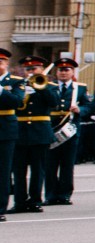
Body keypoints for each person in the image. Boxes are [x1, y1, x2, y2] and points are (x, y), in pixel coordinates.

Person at [44, 56, 94, 205]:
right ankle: (51, 195)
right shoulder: (49, 86)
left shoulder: (80, 88)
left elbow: (89, 106)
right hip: (52, 129)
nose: (63, 73)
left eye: (67, 70)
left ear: (72, 72)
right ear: (56, 72)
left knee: (67, 164)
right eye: (61, 70)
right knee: (50, 164)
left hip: (70, 130)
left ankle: (65, 194)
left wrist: (80, 109)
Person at [11, 55, 57, 213]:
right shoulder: (17, 85)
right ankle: (19, 202)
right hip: (20, 131)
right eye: (28, 69)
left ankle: (35, 200)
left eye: (34, 68)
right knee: (19, 170)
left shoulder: (49, 85)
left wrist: (40, 88)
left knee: (38, 169)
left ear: (42, 69)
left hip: (40, 131)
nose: (31, 71)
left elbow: (54, 102)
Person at [0, 48, 25, 222]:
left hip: (5, 130)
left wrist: (1, 90)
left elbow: (17, 101)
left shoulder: (15, 82)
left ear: (6, 63)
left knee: (2, 171)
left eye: (0, 62)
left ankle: (0, 208)